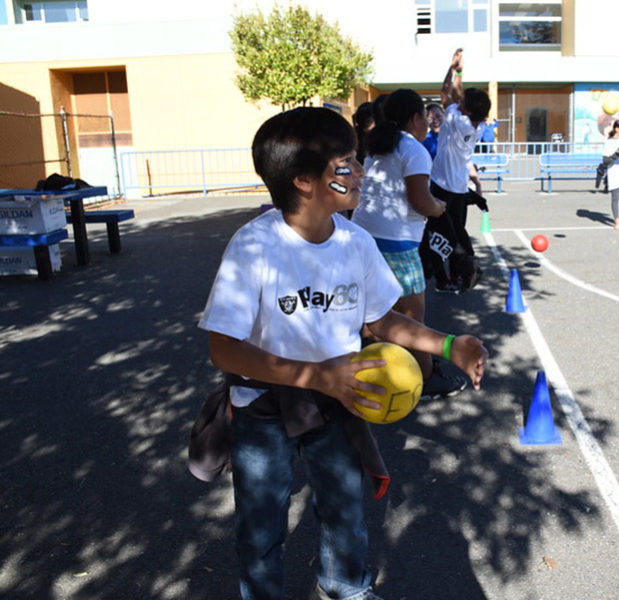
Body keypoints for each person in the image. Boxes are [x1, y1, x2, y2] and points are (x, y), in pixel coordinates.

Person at [198, 106, 488, 600]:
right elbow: (224, 348)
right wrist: (315, 376)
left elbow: (380, 319)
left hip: (340, 399)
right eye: (346, 164)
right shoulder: (255, 247)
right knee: (261, 523)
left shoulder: (355, 242)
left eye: (358, 160)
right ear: (305, 180)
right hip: (264, 408)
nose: (361, 171)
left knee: (344, 509)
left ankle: (347, 589)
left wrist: (446, 345)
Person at [351, 89, 467, 400]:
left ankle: (373, 373)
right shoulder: (413, 149)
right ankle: (427, 379)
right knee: (413, 316)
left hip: (363, 236)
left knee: (374, 314)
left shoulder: (378, 145)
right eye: (426, 118)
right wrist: (439, 208)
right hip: (397, 244)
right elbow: (420, 200)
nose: (428, 124)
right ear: (416, 118)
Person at [426, 48, 491, 293]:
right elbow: (456, 95)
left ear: (468, 110)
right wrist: (459, 71)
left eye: (462, 103)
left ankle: (454, 272)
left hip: (442, 186)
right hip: (459, 186)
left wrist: (453, 69)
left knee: (439, 233)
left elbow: (446, 93)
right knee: (455, 232)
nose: (458, 102)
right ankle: (463, 269)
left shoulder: (458, 120)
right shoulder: (474, 124)